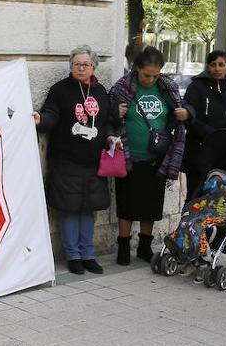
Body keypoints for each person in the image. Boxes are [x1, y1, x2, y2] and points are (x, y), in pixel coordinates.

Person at [36, 47, 120, 275]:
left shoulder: (100, 91)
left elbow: (106, 122)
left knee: (88, 210)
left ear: (94, 67)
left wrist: (111, 137)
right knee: (69, 209)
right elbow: (51, 114)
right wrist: (40, 119)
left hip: (93, 162)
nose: (81, 68)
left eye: (86, 64)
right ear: (71, 66)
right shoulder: (60, 90)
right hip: (66, 160)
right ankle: (73, 256)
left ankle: (88, 255)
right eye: (77, 64)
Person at [108, 46, 190, 265]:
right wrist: (115, 113)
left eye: (155, 75)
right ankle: (123, 247)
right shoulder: (122, 88)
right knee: (126, 205)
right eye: (146, 75)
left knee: (151, 206)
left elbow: (180, 111)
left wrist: (186, 113)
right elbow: (107, 117)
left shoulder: (167, 87)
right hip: (129, 156)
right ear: (137, 68)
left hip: (157, 158)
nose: (151, 79)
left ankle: (145, 247)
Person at [181, 50, 226, 195]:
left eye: (221, 65)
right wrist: (215, 135)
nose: (217, 68)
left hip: (225, 157)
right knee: (195, 198)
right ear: (207, 67)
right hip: (199, 156)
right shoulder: (196, 88)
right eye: (213, 64)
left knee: (221, 199)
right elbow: (191, 120)